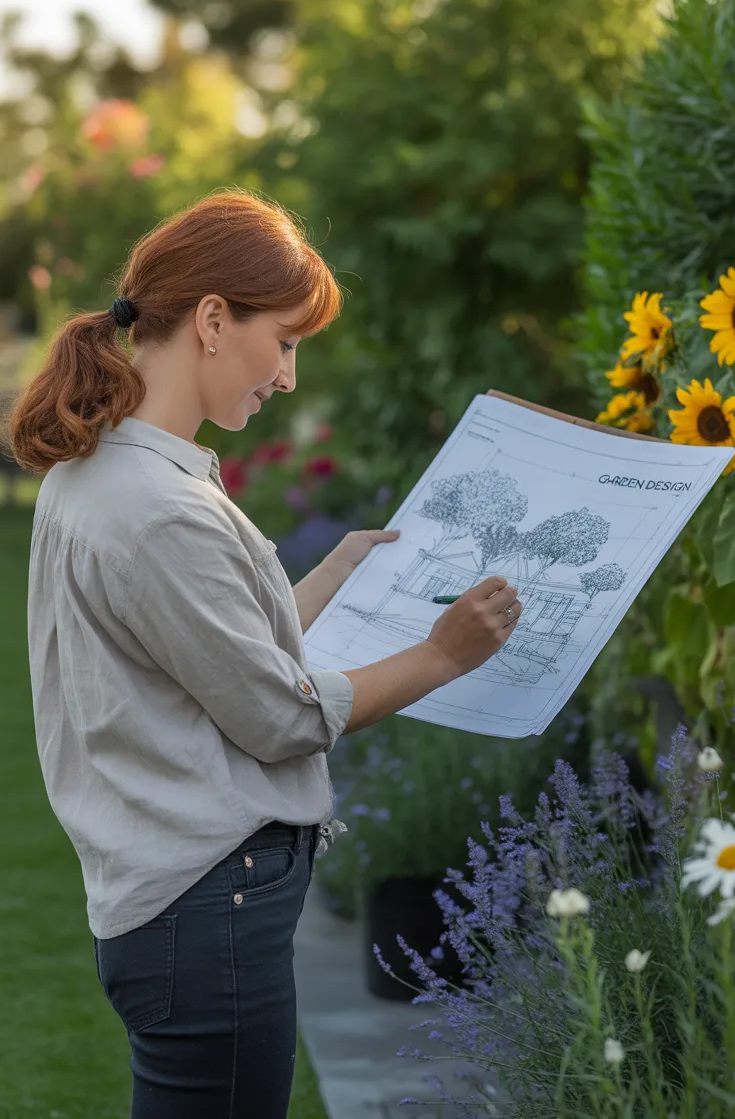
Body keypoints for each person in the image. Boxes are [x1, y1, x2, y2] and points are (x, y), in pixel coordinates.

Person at [7, 189, 522, 1119]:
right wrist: (445, 653)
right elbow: (279, 715)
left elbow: (212, 657)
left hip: (176, 912)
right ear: (212, 320)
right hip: (207, 916)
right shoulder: (161, 508)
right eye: (284, 342)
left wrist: (332, 571)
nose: (288, 377)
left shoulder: (105, 473)